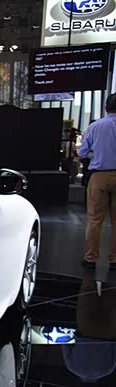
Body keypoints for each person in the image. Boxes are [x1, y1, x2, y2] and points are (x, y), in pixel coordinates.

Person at [78, 94, 116, 271]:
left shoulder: (95, 126)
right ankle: (114, 260)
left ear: (106, 107)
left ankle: (91, 259)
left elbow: (82, 153)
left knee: (94, 220)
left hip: (99, 176)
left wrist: (96, 154)